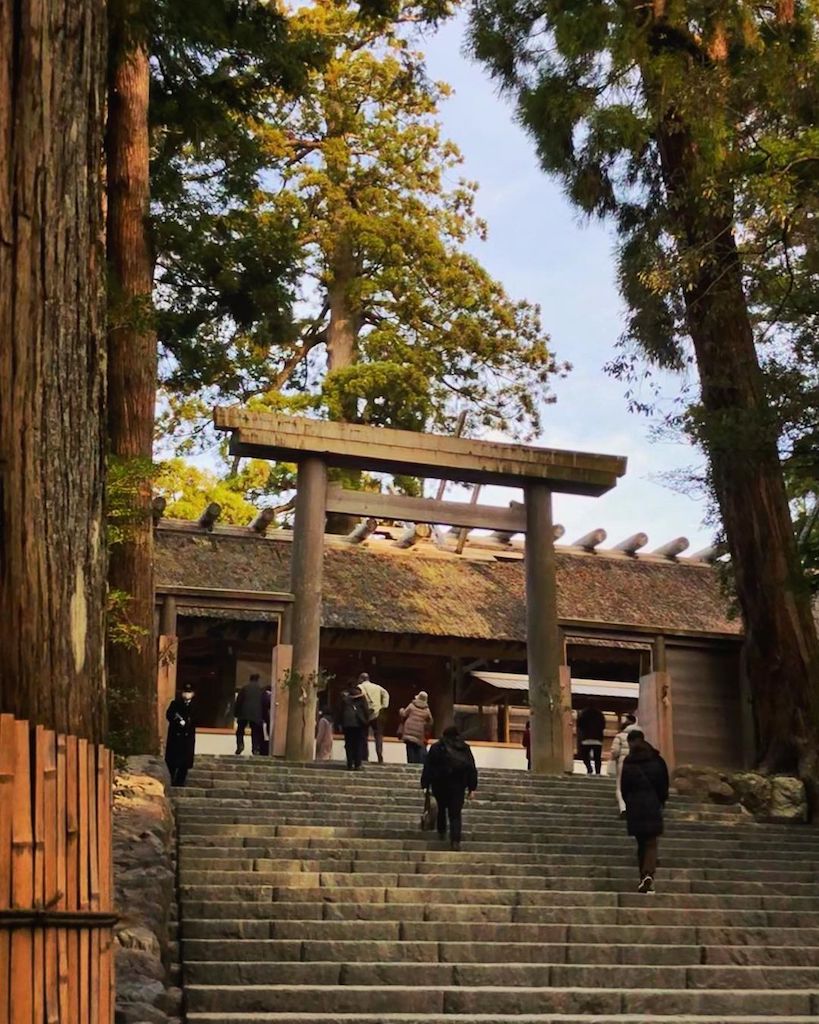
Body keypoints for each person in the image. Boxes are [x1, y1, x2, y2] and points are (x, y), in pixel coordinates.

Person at [620, 730, 669, 894]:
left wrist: (628, 803)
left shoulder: (629, 761)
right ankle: (648, 874)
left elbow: (624, 786)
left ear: (631, 742)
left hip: (635, 804)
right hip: (652, 802)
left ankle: (644, 876)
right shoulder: (657, 760)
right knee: (651, 841)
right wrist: (661, 800)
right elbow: (664, 783)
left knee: (642, 842)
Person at [421, 726, 478, 850]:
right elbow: (471, 768)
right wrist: (472, 787)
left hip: (440, 783)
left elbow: (429, 766)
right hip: (458, 785)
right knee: (455, 814)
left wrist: (425, 784)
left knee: (441, 808)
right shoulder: (464, 748)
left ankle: (441, 831)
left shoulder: (437, 747)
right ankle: (455, 841)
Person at [609, 712, 640, 815]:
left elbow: (615, 751)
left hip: (623, 764)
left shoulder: (620, 736)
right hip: (637, 764)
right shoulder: (640, 737)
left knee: (620, 787)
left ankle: (623, 808)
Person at [165, 687, 197, 786]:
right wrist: (178, 721)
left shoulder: (195, 705)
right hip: (176, 735)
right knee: (172, 760)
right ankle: (171, 779)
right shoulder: (175, 704)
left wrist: (188, 723)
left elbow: (197, 718)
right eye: (185, 692)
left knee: (185, 761)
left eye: (189, 692)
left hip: (187, 736)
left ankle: (180, 781)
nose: (187, 694)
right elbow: (169, 715)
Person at [357, 672, 390, 763]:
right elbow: (386, 694)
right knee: (378, 736)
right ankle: (379, 755)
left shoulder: (360, 687)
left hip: (365, 714)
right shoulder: (377, 687)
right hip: (377, 712)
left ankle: (364, 756)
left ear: (361, 679)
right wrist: (384, 706)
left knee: (363, 736)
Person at [337, 683, 370, 770]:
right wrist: (366, 721)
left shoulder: (344, 697)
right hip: (359, 723)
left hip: (347, 723)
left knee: (349, 744)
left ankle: (349, 763)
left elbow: (340, 710)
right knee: (358, 744)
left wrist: (339, 723)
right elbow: (366, 710)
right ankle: (357, 764)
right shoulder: (361, 697)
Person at [234, 673, 265, 755]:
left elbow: (238, 701)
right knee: (255, 732)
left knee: (240, 730)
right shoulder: (261, 690)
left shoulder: (244, 688)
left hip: (243, 713)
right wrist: (263, 716)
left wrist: (236, 713)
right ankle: (255, 749)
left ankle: (240, 745)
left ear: (250, 679)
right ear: (258, 680)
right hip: (256, 714)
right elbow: (263, 703)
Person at [399, 691, 433, 764]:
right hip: (419, 733)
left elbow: (404, 714)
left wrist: (401, 711)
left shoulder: (412, 706)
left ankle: (410, 764)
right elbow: (430, 721)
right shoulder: (427, 710)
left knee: (409, 748)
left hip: (408, 731)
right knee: (417, 749)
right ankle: (416, 765)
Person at [577, 705, 606, 774]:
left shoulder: (583, 714)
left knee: (585, 756)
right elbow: (603, 725)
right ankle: (598, 772)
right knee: (597, 758)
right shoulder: (600, 714)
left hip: (586, 738)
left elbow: (579, 725)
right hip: (597, 739)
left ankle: (589, 769)